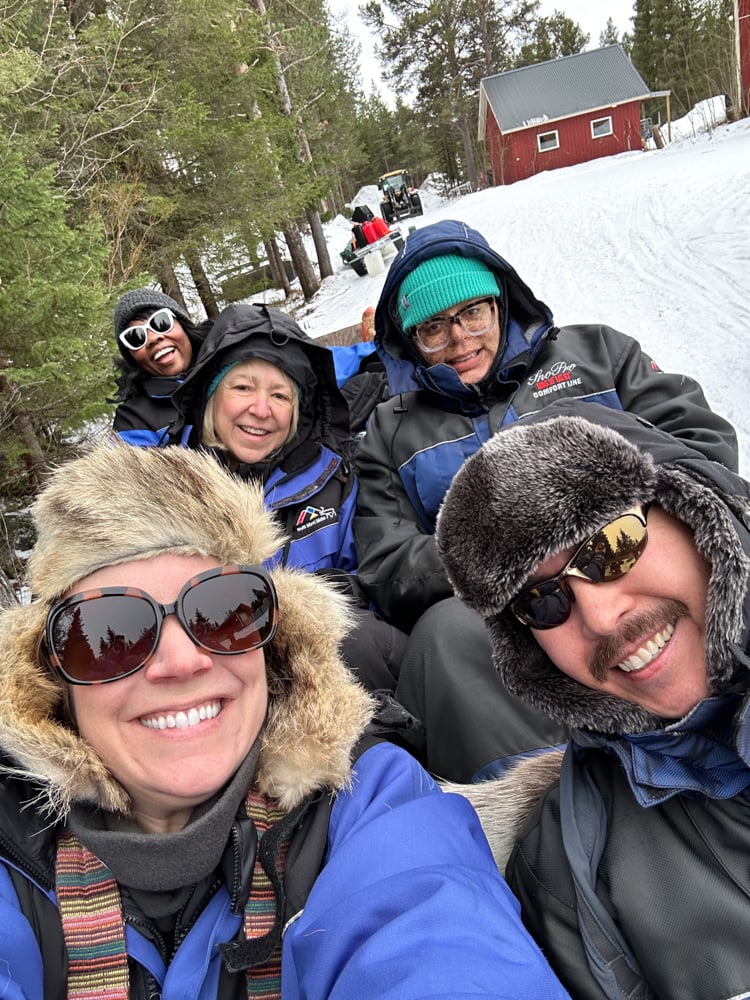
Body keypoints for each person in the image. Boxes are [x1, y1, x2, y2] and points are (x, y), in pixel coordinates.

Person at [0, 442, 572, 999]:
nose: (181, 663)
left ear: (270, 643)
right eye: (109, 633)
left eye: (223, 611)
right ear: (50, 669)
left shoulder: (369, 797)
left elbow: (439, 936)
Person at [353, 218, 738, 781]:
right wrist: (502, 555)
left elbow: (701, 444)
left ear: (501, 302)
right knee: (444, 633)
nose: (460, 340)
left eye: (472, 313)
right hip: (504, 613)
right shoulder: (392, 430)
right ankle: (541, 799)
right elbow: (386, 564)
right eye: (433, 329)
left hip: (628, 555)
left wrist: (596, 509)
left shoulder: (594, 353)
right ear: (411, 341)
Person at [436, 398, 750, 1000]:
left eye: (613, 545)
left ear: (693, 511)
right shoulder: (573, 864)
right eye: (543, 601)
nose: (602, 618)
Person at [170, 301, 404, 693]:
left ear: (298, 410)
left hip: (333, 686)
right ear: (210, 398)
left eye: (280, 396)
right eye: (242, 387)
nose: (261, 410)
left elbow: (377, 586)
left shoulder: (338, 480)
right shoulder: (164, 493)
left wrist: (307, 603)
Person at [112, 287, 212, 446]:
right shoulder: (133, 420)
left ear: (183, 325)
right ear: (132, 357)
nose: (153, 338)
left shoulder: (231, 365)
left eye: (161, 322)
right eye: (136, 337)